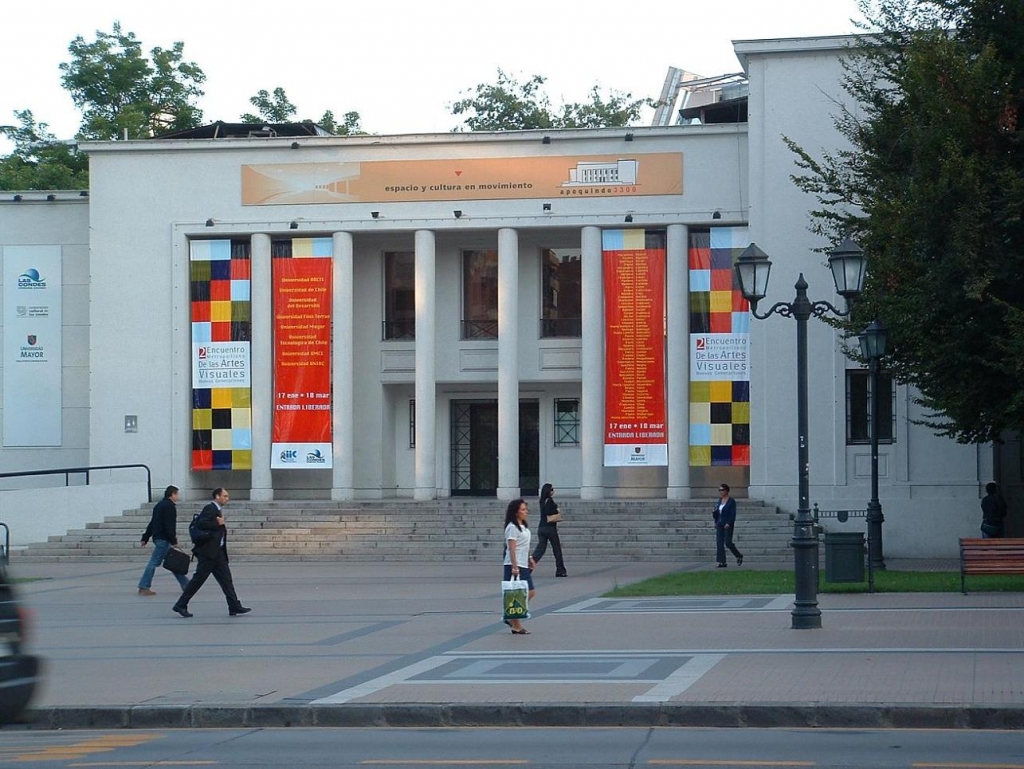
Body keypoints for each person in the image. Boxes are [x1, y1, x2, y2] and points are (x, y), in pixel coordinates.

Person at [172, 488, 251, 618]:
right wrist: (217, 522)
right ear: (217, 496)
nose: (227, 498)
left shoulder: (217, 509)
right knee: (198, 580)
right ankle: (181, 604)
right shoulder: (210, 508)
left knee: (226, 580)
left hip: (218, 553)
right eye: (225, 496)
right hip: (208, 554)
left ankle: (234, 606)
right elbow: (202, 523)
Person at [137, 485, 190, 596]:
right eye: (177, 494)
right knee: (154, 562)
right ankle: (144, 586)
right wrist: (174, 540)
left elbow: (152, 523)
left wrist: (145, 537)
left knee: (173, 562)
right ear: (172, 494)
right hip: (164, 539)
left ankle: (186, 585)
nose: (177, 497)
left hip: (158, 537)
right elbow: (169, 525)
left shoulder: (159, 505)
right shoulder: (169, 506)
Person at [503, 498, 535, 635]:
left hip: (523, 563)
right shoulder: (512, 527)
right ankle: (515, 623)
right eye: (522, 509)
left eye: (525, 509)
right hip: (514, 564)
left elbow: (524, 546)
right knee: (519, 594)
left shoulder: (523, 526)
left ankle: (511, 617)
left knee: (528, 592)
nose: (525, 511)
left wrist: (530, 558)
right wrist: (515, 567)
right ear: (516, 512)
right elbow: (512, 549)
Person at [532, 483, 567, 577]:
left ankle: (528, 568)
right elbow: (549, 512)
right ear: (548, 491)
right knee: (557, 550)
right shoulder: (550, 501)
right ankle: (560, 570)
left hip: (541, 527)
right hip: (550, 528)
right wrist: (556, 510)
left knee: (540, 550)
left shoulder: (542, 500)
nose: (553, 491)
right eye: (552, 489)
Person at [714, 483, 744, 567]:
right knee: (719, 543)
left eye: (722, 490)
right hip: (719, 523)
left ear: (727, 491)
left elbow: (732, 514)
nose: (721, 492)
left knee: (728, 542)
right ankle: (721, 562)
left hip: (727, 524)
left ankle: (738, 555)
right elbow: (717, 512)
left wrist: (729, 523)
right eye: (719, 490)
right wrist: (716, 521)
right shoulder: (719, 500)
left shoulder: (731, 501)